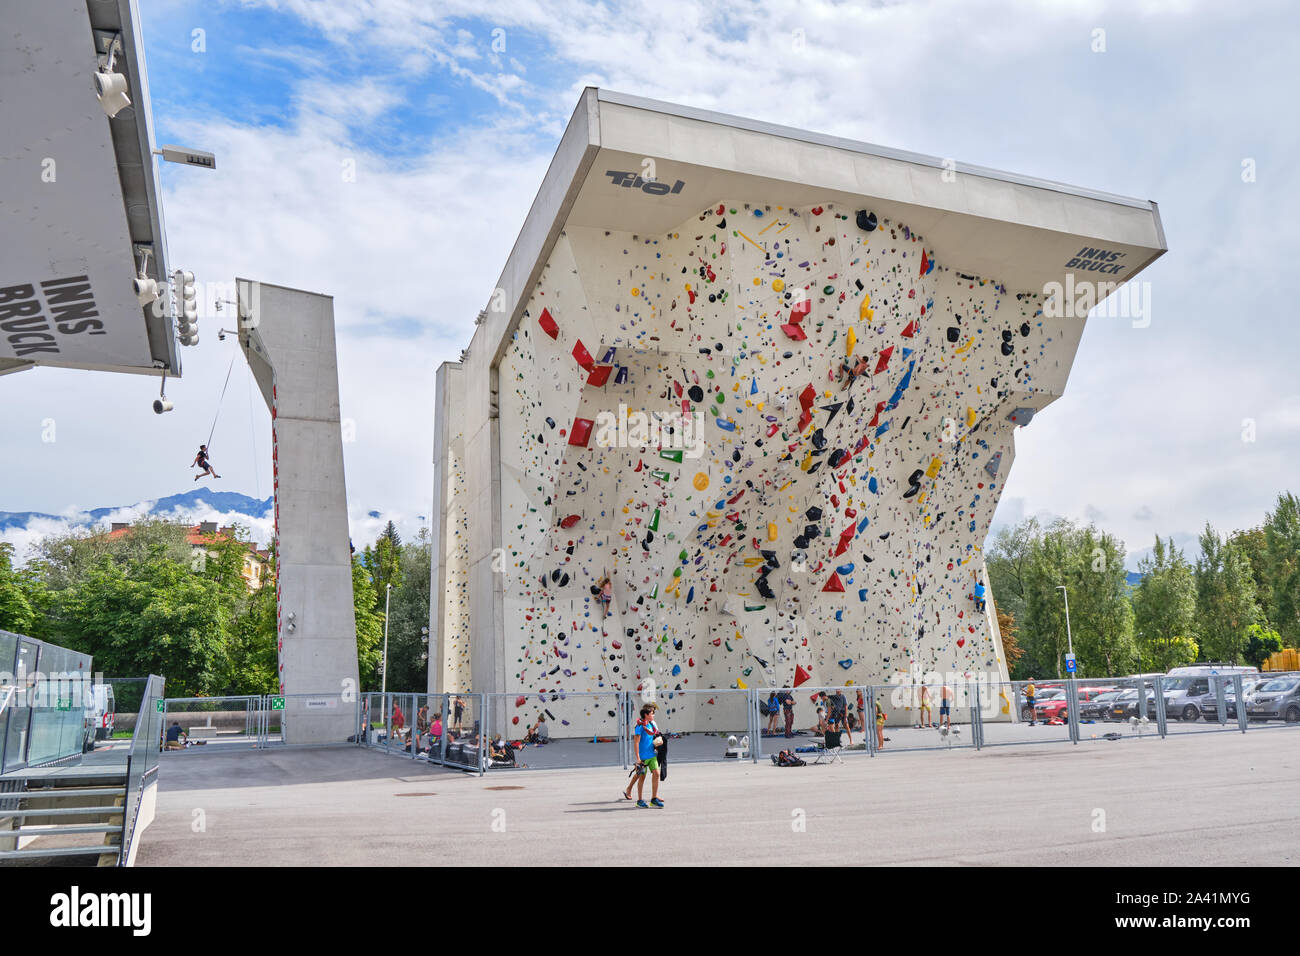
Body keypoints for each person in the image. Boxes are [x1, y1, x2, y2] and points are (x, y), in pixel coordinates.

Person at [623, 703, 663, 807]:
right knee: (641, 777)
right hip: (643, 757)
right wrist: (638, 758)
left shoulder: (651, 724)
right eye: (652, 713)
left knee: (657, 774)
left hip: (652, 755)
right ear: (646, 715)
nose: (653, 715)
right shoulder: (640, 727)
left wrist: (658, 743)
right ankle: (639, 800)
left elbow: (653, 736)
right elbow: (636, 742)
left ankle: (653, 799)